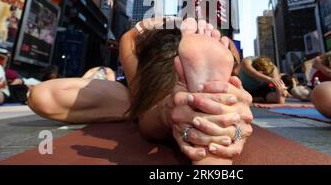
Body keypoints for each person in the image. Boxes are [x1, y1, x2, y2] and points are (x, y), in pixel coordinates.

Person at [28, 17, 253, 165]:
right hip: (153, 94)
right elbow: (232, 60)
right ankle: (193, 107)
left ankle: (179, 108)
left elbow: (128, 37)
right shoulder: (146, 70)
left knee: (41, 96)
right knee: (151, 104)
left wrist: (160, 21)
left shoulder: (139, 62)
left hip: (146, 96)